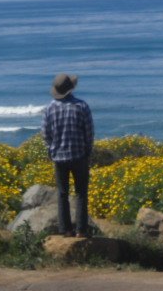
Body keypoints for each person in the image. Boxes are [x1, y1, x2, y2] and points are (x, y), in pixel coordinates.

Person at [41, 73, 94, 238]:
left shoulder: (49, 108)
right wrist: (87, 150)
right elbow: (89, 132)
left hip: (59, 157)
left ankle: (65, 229)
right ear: (72, 88)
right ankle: (81, 230)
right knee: (81, 193)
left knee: (62, 193)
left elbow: (45, 134)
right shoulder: (82, 106)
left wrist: (52, 148)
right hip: (79, 155)